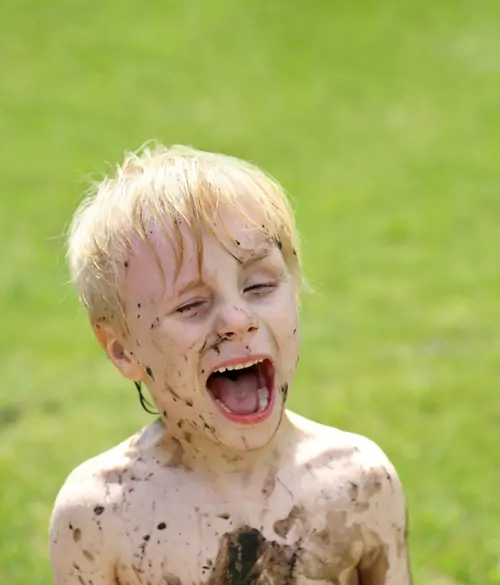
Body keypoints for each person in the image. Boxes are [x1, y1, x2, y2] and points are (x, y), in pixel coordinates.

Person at [49, 143, 412, 584]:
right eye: (191, 305)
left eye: (259, 285)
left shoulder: (357, 483)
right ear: (124, 350)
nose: (238, 322)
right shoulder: (100, 516)